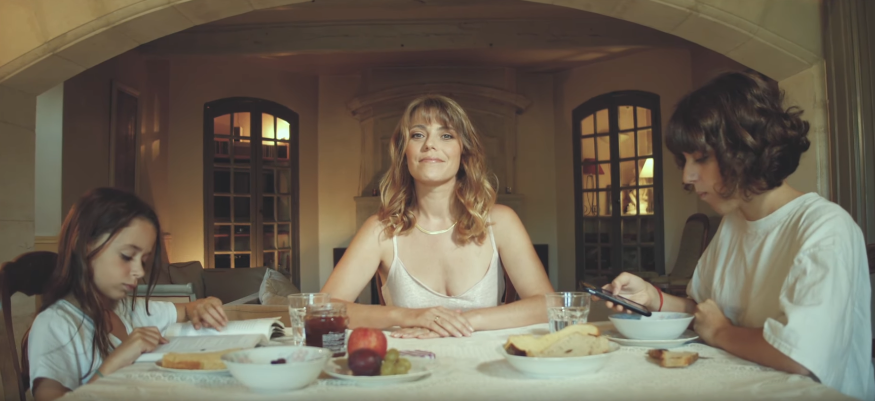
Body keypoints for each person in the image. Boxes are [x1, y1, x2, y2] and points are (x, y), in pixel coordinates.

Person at [598, 71, 874, 400]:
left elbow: (799, 355)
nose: (687, 176)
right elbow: (707, 312)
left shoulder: (825, 228)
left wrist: (722, 333)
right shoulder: (734, 222)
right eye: (684, 160)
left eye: (701, 158)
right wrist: (654, 298)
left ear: (746, 149)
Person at [321, 95, 554, 339]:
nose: (430, 144)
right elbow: (323, 308)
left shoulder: (500, 221)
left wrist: (466, 321)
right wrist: (408, 316)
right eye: (417, 135)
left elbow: (548, 304)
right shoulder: (381, 229)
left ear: (463, 151)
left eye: (446, 135)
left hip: (486, 360)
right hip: (408, 361)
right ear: (404, 152)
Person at [28, 188, 229, 401]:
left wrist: (202, 306)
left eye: (143, 260)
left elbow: (187, 310)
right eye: (126, 256)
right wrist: (114, 363)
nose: (140, 272)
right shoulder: (55, 325)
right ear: (83, 246)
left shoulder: (126, 308)